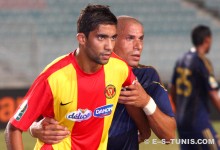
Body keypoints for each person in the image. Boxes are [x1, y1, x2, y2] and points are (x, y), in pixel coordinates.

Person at [4, 4, 144, 150]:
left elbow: (136, 97)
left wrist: (144, 130)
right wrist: (34, 127)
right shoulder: (53, 77)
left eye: (113, 38)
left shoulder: (120, 68)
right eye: (101, 37)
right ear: (82, 38)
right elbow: (13, 128)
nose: (109, 46)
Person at [29, 16, 176, 150]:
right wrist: (35, 128)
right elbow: (36, 118)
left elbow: (169, 136)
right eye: (130, 38)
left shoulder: (146, 76)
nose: (138, 46)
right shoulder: (77, 72)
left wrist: (146, 102)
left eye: (141, 39)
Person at [170, 25, 220, 150]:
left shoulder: (180, 59)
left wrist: (176, 113)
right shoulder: (202, 62)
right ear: (207, 39)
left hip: (182, 122)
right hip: (198, 121)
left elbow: (172, 90)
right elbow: (213, 94)